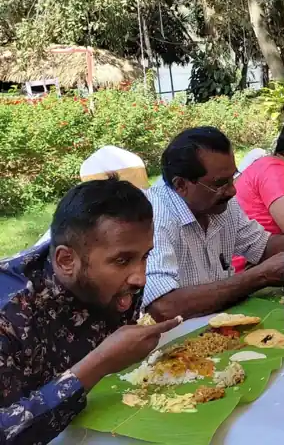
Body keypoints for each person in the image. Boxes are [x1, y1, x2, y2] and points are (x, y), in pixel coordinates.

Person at [0, 178, 182, 443]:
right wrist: (99, 364)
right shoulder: (10, 313)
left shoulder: (121, 281)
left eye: (145, 256)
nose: (140, 278)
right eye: (123, 260)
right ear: (66, 260)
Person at [144, 127, 284, 322]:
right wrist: (259, 277)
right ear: (181, 185)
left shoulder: (221, 203)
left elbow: (262, 247)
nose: (232, 190)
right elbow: (163, 307)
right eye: (220, 183)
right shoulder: (154, 218)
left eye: (233, 177)